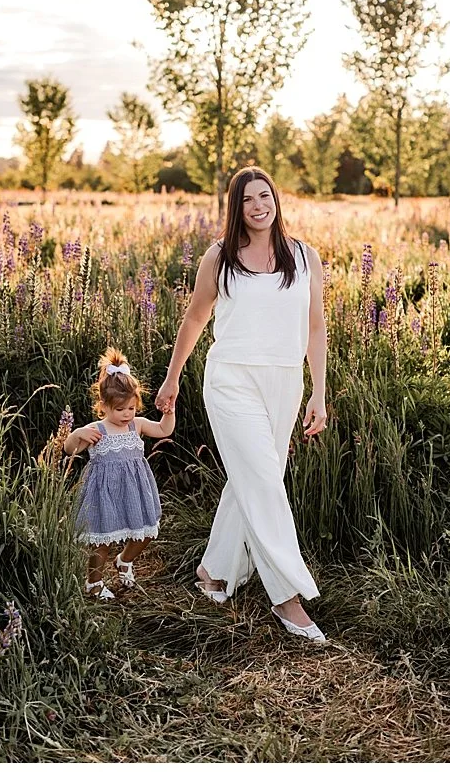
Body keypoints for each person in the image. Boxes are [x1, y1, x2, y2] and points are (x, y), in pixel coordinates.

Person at [155, 167, 329, 642]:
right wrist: (172, 378)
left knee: (257, 478)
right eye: (248, 199)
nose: (258, 206)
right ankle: (287, 597)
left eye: (265, 196)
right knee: (262, 483)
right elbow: (195, 318)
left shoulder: (305, 257)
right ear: (237, 207)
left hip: (285, 382)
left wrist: (319, 390)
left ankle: (212, 571)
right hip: (231, 381)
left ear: (276, 199)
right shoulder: (220, 257)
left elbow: (316, 327)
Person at [64, 348, 173, 600]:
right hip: (104, 494)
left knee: (144, 533)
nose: (126, 414)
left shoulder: (138, 425)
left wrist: (169, 412)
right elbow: (70, 449)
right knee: (101, 541)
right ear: (103, 406)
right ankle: (94, 583)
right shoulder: (96, 429)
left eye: (131, 408)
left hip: (134, 491)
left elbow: (164, 430)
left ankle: (124, 561)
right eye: (120, 409)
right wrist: (77, 433)